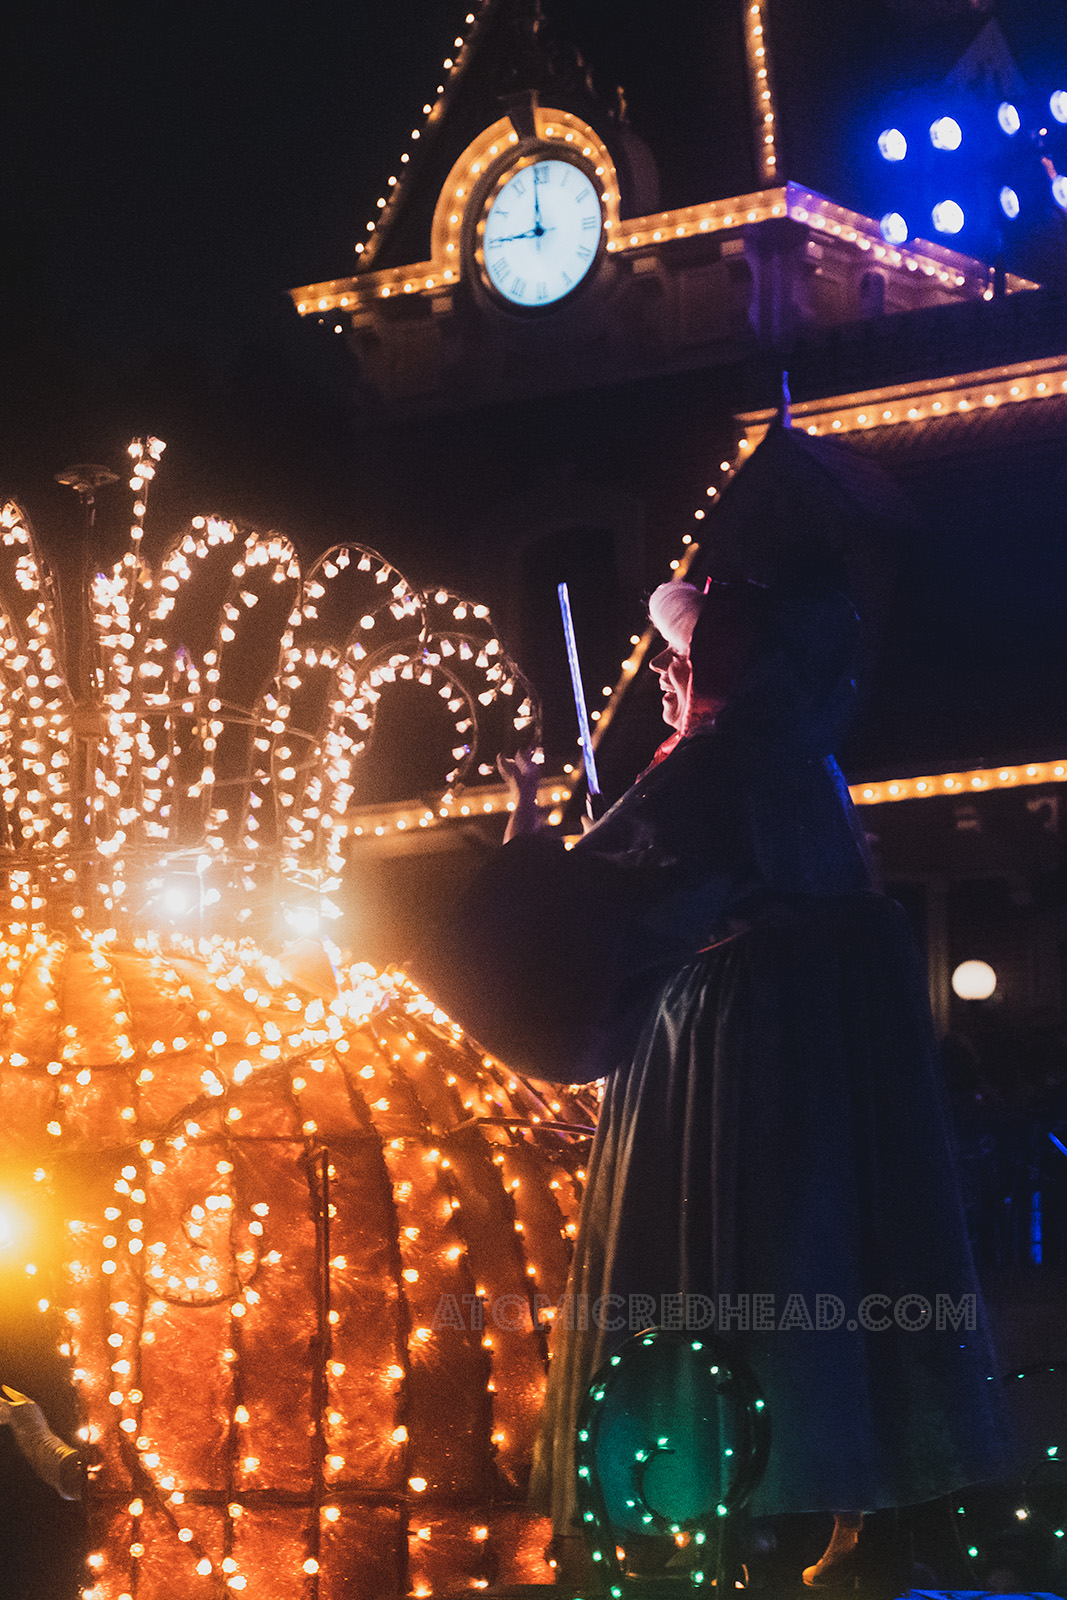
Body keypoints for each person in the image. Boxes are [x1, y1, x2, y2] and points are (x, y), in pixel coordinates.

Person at [415, 577, 1009, 1590]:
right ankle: (844, 1501)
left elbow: (590, 903)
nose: (661, 678)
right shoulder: (800, 763)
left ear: (718, 670)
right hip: (814, 1061)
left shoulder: (707, 765)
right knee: (817, 1250)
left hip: (722, 1039)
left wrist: (525, 850)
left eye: (679, 660)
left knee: (708, 1258)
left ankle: (692, 1506)